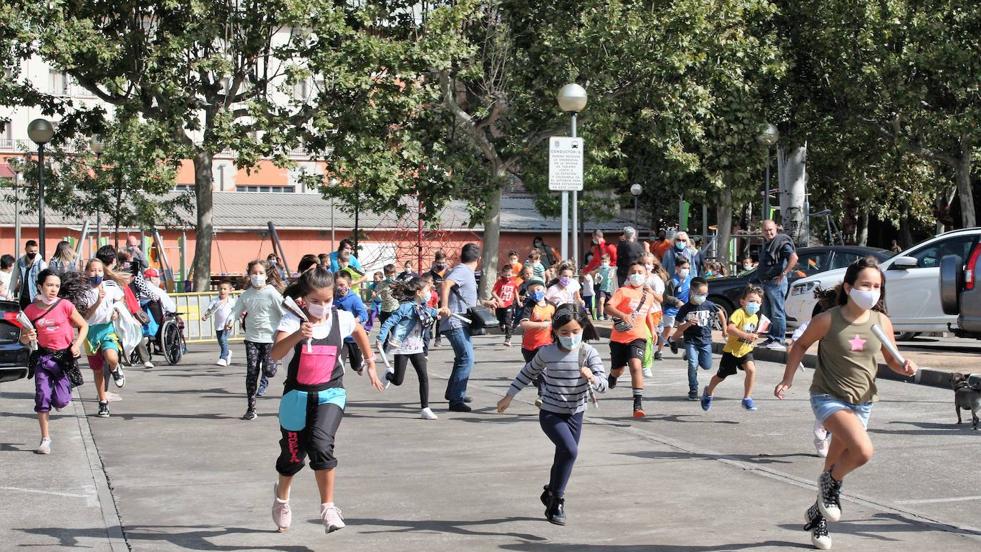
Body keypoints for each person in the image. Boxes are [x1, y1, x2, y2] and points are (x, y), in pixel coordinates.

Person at [774, 257, 917, 550]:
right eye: (866, 284)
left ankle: (818, 516)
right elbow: (800, 344)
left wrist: (906, 366)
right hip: (828, 397)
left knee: (833, 466)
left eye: (877, 286)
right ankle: (830, 485)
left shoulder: (882, 322)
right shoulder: (829, 319)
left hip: (862, 402)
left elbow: (892, 359)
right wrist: (787, 379)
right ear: (850, 287)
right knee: (862, 451)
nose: (872, 290)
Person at [269, 267, 384, 534]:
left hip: (330, 393)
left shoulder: (341, 318)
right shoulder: (291, 320)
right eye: (316, 301)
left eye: (328, 300)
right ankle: (282, 499)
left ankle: (328, 507)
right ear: (304, 299)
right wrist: (299, 334)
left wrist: (370, 363)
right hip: (296, 396)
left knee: (321, 444)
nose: (322, 306)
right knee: (293, 457)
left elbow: (358, 331)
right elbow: (275, 354)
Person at [496, 304, 606, 526]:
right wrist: (508, 396)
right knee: (570, 450)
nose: (570, 337)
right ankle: (557, 501)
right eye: (564, 332)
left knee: (564, 456)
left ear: (583, 329)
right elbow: (527, 373)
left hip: (576, 413)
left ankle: (551, 493)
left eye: (575, 332)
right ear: (555, 332)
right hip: (551, 413)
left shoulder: (588, 353)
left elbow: (604, 385)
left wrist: (592, 377)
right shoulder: (546, 352)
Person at [20, 268, 88, 454]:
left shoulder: (65, 305)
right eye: (49, 285)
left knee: (61, 401)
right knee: (42, 395)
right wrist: (28, 336)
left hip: (64, 359)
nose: (53, 289)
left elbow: (84, 325)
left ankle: (60, 400)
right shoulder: (31, 310)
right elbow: (23, 339)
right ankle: (45, 440)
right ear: (40, 286)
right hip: (43, 357)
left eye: (56, 286)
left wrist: (76, 345)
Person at [226, 259, 284, 421]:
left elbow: (284, 312)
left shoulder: (272, 293)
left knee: (269, 371)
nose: (257, 276)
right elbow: (236, 311)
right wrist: (230, 320)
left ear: (266, 275)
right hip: (252, 338)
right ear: (249, 275)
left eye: (260, 273)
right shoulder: (246, 295)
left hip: (270, 338)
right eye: (254, 273)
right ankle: (251, 408)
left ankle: (272, 366)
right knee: (252, 372)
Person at [377, 276, 439, 420]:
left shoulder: (423, 307)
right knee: (398, 380)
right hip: (402, 347)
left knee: (423, 376)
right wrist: (381, 338)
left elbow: (432, 312)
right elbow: (389, 322)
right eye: (427, 290)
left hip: (417, 347)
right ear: (418, 292)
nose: (429, 293)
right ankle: (388, 375)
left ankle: (425, 408)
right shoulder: (405, 307)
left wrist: (442, 311)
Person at [437, 243, 488, 413]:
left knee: (462, 358)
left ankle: (455, 392)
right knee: (467, 358)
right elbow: (445, 284)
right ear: (478, 259)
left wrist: (485, 303)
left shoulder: (463, 271)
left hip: (461, 321)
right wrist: (444, 307)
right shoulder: (463, 271)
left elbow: (463, 296)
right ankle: (456, 400)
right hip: (455, 322)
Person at [604, 262, 657, 417]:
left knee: (636, 365)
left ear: (646, 275)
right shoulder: (623, 291)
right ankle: (613, 376)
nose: (637, 274)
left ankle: (638, 404)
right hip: (619, 338)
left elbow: (647, 313)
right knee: (618, 370)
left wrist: (652, 330)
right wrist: (623, 315)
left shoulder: (648, 296)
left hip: (638, 336)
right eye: (633, 271)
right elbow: (608, 307)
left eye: (640, 272)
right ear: (628, 275)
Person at [701, 286, 763, 412]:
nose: (754, 304)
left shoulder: (755, 317)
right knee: (721, 376)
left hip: (746, 350)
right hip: (732, 351)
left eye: (757, 302)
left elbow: (751, 332)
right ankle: (708, 391)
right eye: (751, 301)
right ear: (742, 302)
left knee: (751, 370)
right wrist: (746, 335)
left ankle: (747, 398)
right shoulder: (739, 313)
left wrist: (754, 336)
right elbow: (730, 329)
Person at [81, 258, 127, 418]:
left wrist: (117, 310)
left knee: (111, 357)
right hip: (90, 332)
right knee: (98, 370)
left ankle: (115, 368)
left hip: (107, 329)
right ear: (87, 272)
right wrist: (98, 301)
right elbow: (85, 316)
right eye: (93, 270)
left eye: (99, 270)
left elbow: (121, 298)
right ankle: (103, 402)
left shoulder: (110, 286)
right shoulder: (82, 291)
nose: (96, 273)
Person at [672, 277, 726, 400]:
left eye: (705, 293)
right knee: (693, 364)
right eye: (700, 294)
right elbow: (678, 327)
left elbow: (720, 312)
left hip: (705, 340)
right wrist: (688, 323)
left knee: (707, 366)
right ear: (692, 291)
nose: (703, 296)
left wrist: (724, 328)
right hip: (691, 340)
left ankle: (690, 354)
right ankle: (693, 389)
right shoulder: (685, 308)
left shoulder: (708, 304)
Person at [756, 220, 799, 350]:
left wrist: (784, 273)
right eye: (766, 230)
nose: (769, 232)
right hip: (766, 283)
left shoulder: (781, 242)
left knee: (777, 312)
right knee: (768, 312)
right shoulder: (768, 243)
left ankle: (779, 339)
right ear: (762, 231)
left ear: (776, 228)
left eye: (771, 229)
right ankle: (771, 338)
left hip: (776, 283)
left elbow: (794, 257)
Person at [655, 257, 692, 361]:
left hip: (684, 309)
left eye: (688, 268)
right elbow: (666, 296)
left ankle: (684, 349)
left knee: (685, 328)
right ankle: (659, 351)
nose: (686, 270)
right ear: (677, 268)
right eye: (684, 267)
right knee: (667, 329)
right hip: (671, 309)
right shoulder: (672, 281)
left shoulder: (690, 279)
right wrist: (676, 302)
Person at [332, 272, 369, 375]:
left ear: (349, 285)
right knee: (339, 364)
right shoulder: (332, 298)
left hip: (353, 338)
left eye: (342, 285)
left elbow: (364, 315)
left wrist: (352, 321)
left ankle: (361, 364)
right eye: (337, 285)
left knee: (355, 365)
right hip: (340, 337)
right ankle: (336, 384)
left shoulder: (354, 299)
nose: (339, 288)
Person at [202, 279, 236, 366]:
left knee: (223, 339)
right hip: (218, 325)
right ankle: (227, 352)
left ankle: (223, 358)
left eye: (225, 289)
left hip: (228, 324)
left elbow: (236, 311)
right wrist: (205, 316)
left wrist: (241, 317)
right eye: (220, 289)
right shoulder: (215, 300)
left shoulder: (232, 301)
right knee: (221, 341)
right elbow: (210, 310)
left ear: (230, 290)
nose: (222, 291)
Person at [11, 240, 48, 310]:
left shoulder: (41, 264)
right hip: (23, 297)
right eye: (31, 251)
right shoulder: (19, 263)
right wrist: (9, 294)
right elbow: (14, 278)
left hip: (36, 297)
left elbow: (46, 280)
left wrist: (44, 296)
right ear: (26, 249)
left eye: (35, 251)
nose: (33, 253)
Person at [492, 265, 518, 347]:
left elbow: (515, 292)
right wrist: (498, 299)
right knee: (499, 318)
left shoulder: (513, 282)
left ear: (512, 274)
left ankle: (508, 339)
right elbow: (493, 292)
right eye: (506, 275)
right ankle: (501, 323)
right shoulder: (499, 282)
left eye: (509, 275)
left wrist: (518, 301)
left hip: (509, 305)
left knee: (508, 321)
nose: (507, 277)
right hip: (499, 305)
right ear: (502, 274)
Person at [428, 251, 449, 347]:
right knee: (431, 318)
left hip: (443, 298)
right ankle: (428, 334)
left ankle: (438, 338)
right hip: (432, 298)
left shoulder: (448, 272)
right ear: (435, 262)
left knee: (440, 319)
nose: (441, 264)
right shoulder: (431, 272)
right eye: (439, 262)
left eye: (443, 262)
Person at [591, 254, 615, 321]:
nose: (604, 263)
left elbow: (613, 276)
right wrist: (596, 277)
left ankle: (609, 315)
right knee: (601, 301)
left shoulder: (611, 269)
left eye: (605, 261)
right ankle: (601, 315)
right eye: (602, 261)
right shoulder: (599, 269)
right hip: (602, 289)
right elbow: (593, 273)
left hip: (610, 289)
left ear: (609, 262)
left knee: (609, 303)